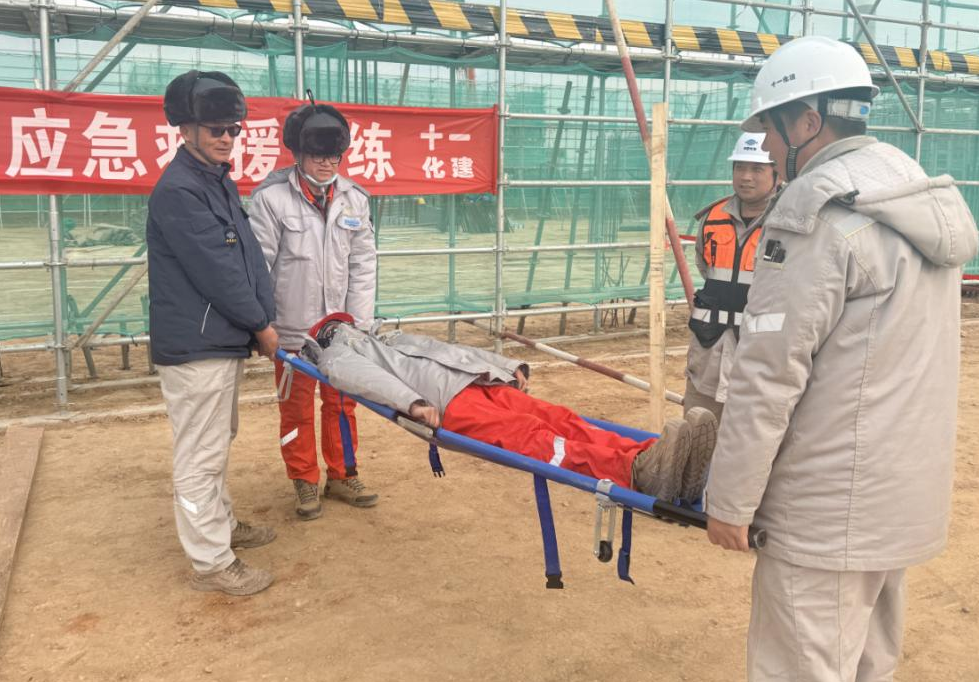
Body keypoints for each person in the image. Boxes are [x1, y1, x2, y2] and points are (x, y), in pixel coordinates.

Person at [704, 36, 979, 682]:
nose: (766, 151)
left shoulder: (815, 213)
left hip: (825, 508)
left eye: (769, 131)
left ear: (807, 121)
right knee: (867, 676)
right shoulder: (909, 190)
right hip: (897, 496)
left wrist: (730, 499)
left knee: (800, 679)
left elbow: (769, 374)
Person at [303, 314, 719, 503]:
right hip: (446, 403)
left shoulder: (386, 337)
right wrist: (411, 403)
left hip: (478, 382)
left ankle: (652, 459)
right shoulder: (338, 354)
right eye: (338, 324)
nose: (346, 324)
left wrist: (504, 367)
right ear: (327, 333)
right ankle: (634, 472)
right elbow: (364, 380)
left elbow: (450, 350)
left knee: (559, 419)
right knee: (534, 439)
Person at [147, 70, 280, 597]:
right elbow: (218, 273)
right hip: (196, 345)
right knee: (200, 455)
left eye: (233, 129)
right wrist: (261, 326)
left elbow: (246, 259)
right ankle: (211, 562)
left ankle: (221, 524)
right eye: (215, 129)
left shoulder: (215, 180)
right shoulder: (180, 190)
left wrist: (260, 319)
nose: (227, 138)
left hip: (219, 340)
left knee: (216, 441)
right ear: (186, 130)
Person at [248, 100, 378, 521]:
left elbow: (363, 264)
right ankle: (303, 479)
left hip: (339, 331)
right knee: (295, 408)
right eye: (318, 155)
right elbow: (258, 266)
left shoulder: (355, 199)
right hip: (291, 329)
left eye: (334, 155)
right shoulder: (271, 199)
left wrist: (358, 324)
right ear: (298, 153)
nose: (326, 163)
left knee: (342, 403)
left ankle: (343, 474)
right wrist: (262, 324)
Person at [684, 133, 778, 420]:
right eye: (739, 167)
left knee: (753, 430)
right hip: (709, 348)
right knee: (698, 428)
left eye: (757, 168)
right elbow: (706, 268)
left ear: (777, 174)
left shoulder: (788, 221)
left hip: (762, 354)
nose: (745, 177)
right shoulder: (712, 218)